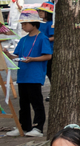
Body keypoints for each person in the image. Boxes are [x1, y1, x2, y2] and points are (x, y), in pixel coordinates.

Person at [8, 9, 51, 137]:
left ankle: (38, 127)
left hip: (34, 76)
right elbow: (15, 55)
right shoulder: (23, 40)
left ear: (34, 23)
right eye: (22, 24)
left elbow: (48, 56)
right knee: (23, 103)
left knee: (36, 102)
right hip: (23, 76)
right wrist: (6, 53)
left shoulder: (42, 38)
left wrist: (33, 59)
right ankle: (24, 126)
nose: (23, 26)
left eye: (25, 24)